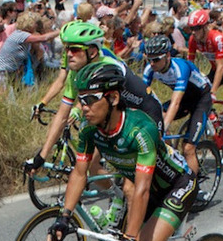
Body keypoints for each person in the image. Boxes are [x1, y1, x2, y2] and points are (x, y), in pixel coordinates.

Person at [49, 62, 198, 241]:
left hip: (176, 185)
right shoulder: (91, 131)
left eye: (91, 100)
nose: (84, 107)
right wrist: (63, 217)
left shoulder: (139, 129)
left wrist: (130, 240)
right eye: (81, 100)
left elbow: (140, 191)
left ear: (113, 98)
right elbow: (79, 173)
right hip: (149, 189)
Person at [25, 21, 163, 174]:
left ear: (92, 52)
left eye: (75, 49)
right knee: (90, 166)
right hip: (117, 117)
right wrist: (42, 156)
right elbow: (62, 115)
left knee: (138, 175)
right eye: (67, 48)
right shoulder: (75, 74)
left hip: (147, 113)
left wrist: (78, 110)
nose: (69, 54)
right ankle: (115, 192)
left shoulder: (108, 68)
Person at [143, 35, 211, 176]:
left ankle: (194, 189)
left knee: (188, 148)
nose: (152, 64)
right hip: (185, 99)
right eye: (149, 59)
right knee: (157, 117)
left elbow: (175, 103)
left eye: (156, 59)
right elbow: (142, 98)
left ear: (168, 55)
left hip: (201, 100)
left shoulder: (180, 68)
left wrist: (163, 129)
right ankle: (170, 159)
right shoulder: (150, 70)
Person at [187, 9, 223, 165]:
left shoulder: (216, 38)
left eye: (197, 28)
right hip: (215, 69)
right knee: (199, 95)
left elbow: (220, 67)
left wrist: (213, 91)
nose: (194, 32)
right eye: (192, 29)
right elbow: (190, 64)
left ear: (205, 27)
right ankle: (217, 119)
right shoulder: (193, 40)